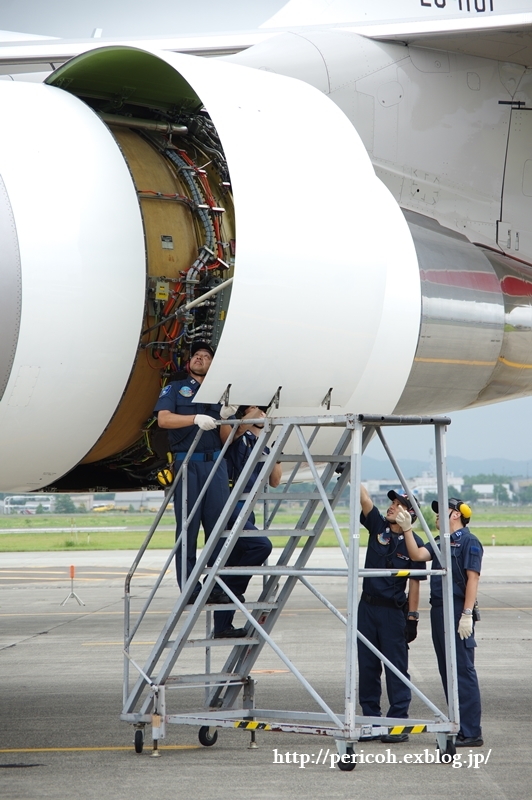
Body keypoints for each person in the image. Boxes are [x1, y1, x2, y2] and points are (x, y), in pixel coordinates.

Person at [401, 497, 484, 747]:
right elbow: (416, 554)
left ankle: (471, 732)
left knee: (462, 670)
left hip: (458, 610)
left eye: (442, 512)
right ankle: (458, 725)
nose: (436, 517)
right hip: (438, 610)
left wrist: (467, 613)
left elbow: (473, 579)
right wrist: (407, 529)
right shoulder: (439, 542)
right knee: (447, 670)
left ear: (457, 515)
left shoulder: (469, 541)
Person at [155, 341, 233, 602]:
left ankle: (217, 587)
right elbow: (163, 419)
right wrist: (193, 419)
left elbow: (226, 439)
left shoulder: (218, 394)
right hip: (188, 464)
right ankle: (190, 588)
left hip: (216, 465)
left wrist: (228, 417)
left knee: (218, 528)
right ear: (189, 363)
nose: (200, 358)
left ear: (212, 365)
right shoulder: (175, 389)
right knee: (187, 527)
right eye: (197, 355)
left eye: (206, 356)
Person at [358, 487, 426, 743]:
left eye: (397, 504)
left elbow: (416, 583)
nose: (391, 506)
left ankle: (398, 722)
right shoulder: (377, 526)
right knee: (367, 665)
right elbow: (364, 499)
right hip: (367, 608)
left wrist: (413, 618)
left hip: (392, 612)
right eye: (392, 502)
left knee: (396, 667)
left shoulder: (414, 543)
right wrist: (350, 471)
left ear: (409, 514)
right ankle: (370, 721)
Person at [211, 405, 282, 638]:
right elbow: (239, 428)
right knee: (261, 546)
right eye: (257, 410)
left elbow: (275, 481)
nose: (262, 414)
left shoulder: (261, 445)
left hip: (246, 510)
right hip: (230, 506)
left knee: (231, 565)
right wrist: (252, 413)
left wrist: (276, 452)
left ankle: (222, 626)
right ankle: (221, 588)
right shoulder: (237, 434)